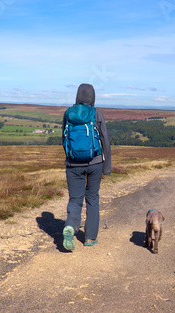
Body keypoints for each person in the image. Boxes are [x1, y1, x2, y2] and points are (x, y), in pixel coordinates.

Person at [61, 83, 111, 251]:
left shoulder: (68, 113)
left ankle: (71, 226)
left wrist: (70, 157)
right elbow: (105, 140)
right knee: (92, 198)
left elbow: (64, 138)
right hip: (95, 163)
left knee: (75, 199)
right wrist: (107, 167)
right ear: (93, 97)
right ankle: (89, 237)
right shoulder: (97, 114)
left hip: (73, 163)